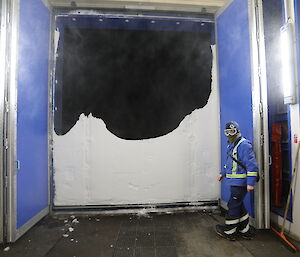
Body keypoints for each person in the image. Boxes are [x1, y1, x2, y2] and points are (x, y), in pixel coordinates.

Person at [215, 121, 258, 241]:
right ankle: (244, 230)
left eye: (232, 132)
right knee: (239, 205)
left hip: (240, 183)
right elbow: (230, 163)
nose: (229, 134)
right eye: (227, 132)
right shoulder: (232, 145)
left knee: (233, 205)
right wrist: (222, 173)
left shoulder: (244, 145)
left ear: (237, 131)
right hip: (234, 182)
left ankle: (229, 231)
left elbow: (252, 166)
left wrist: (250, 183)